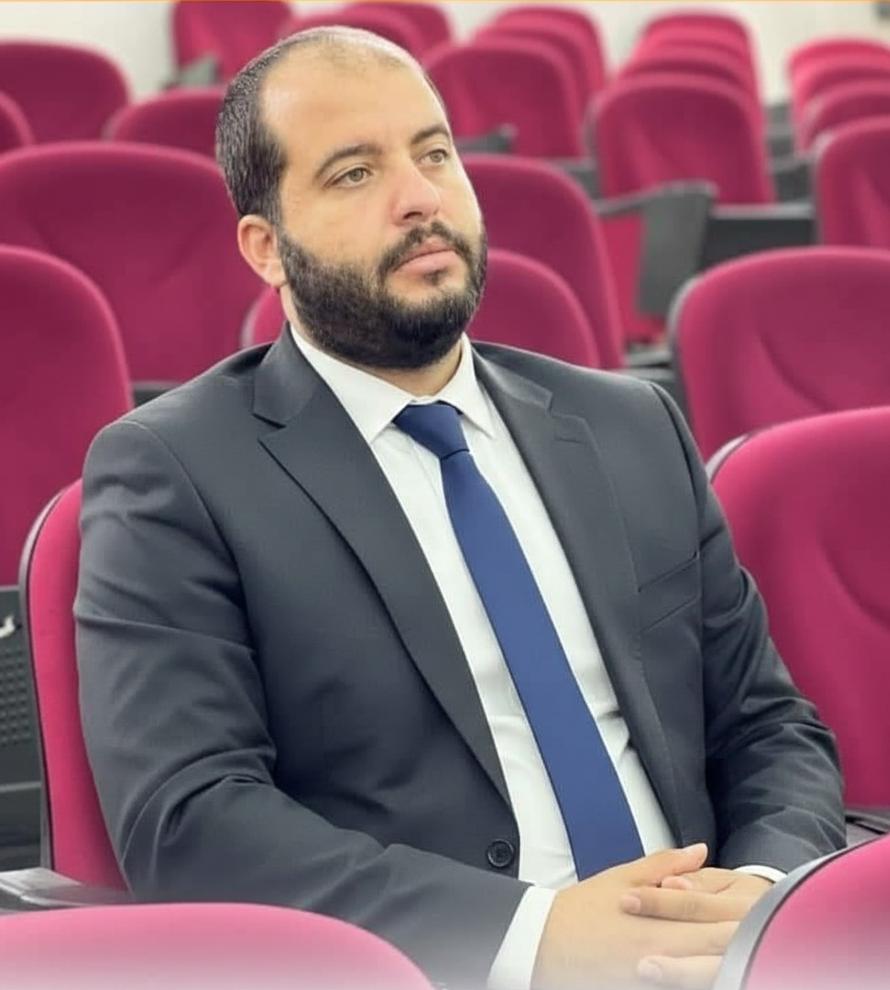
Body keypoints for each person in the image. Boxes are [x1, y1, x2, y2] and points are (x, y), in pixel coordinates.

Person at [75, 27, 845, 990]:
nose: (420, 197)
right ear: (267, 248)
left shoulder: (630, 425)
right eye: (355, 173)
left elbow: (768, 726)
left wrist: (763, 897)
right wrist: (534, 935)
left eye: (434, 153)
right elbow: (187, 819)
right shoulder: (176, 473)